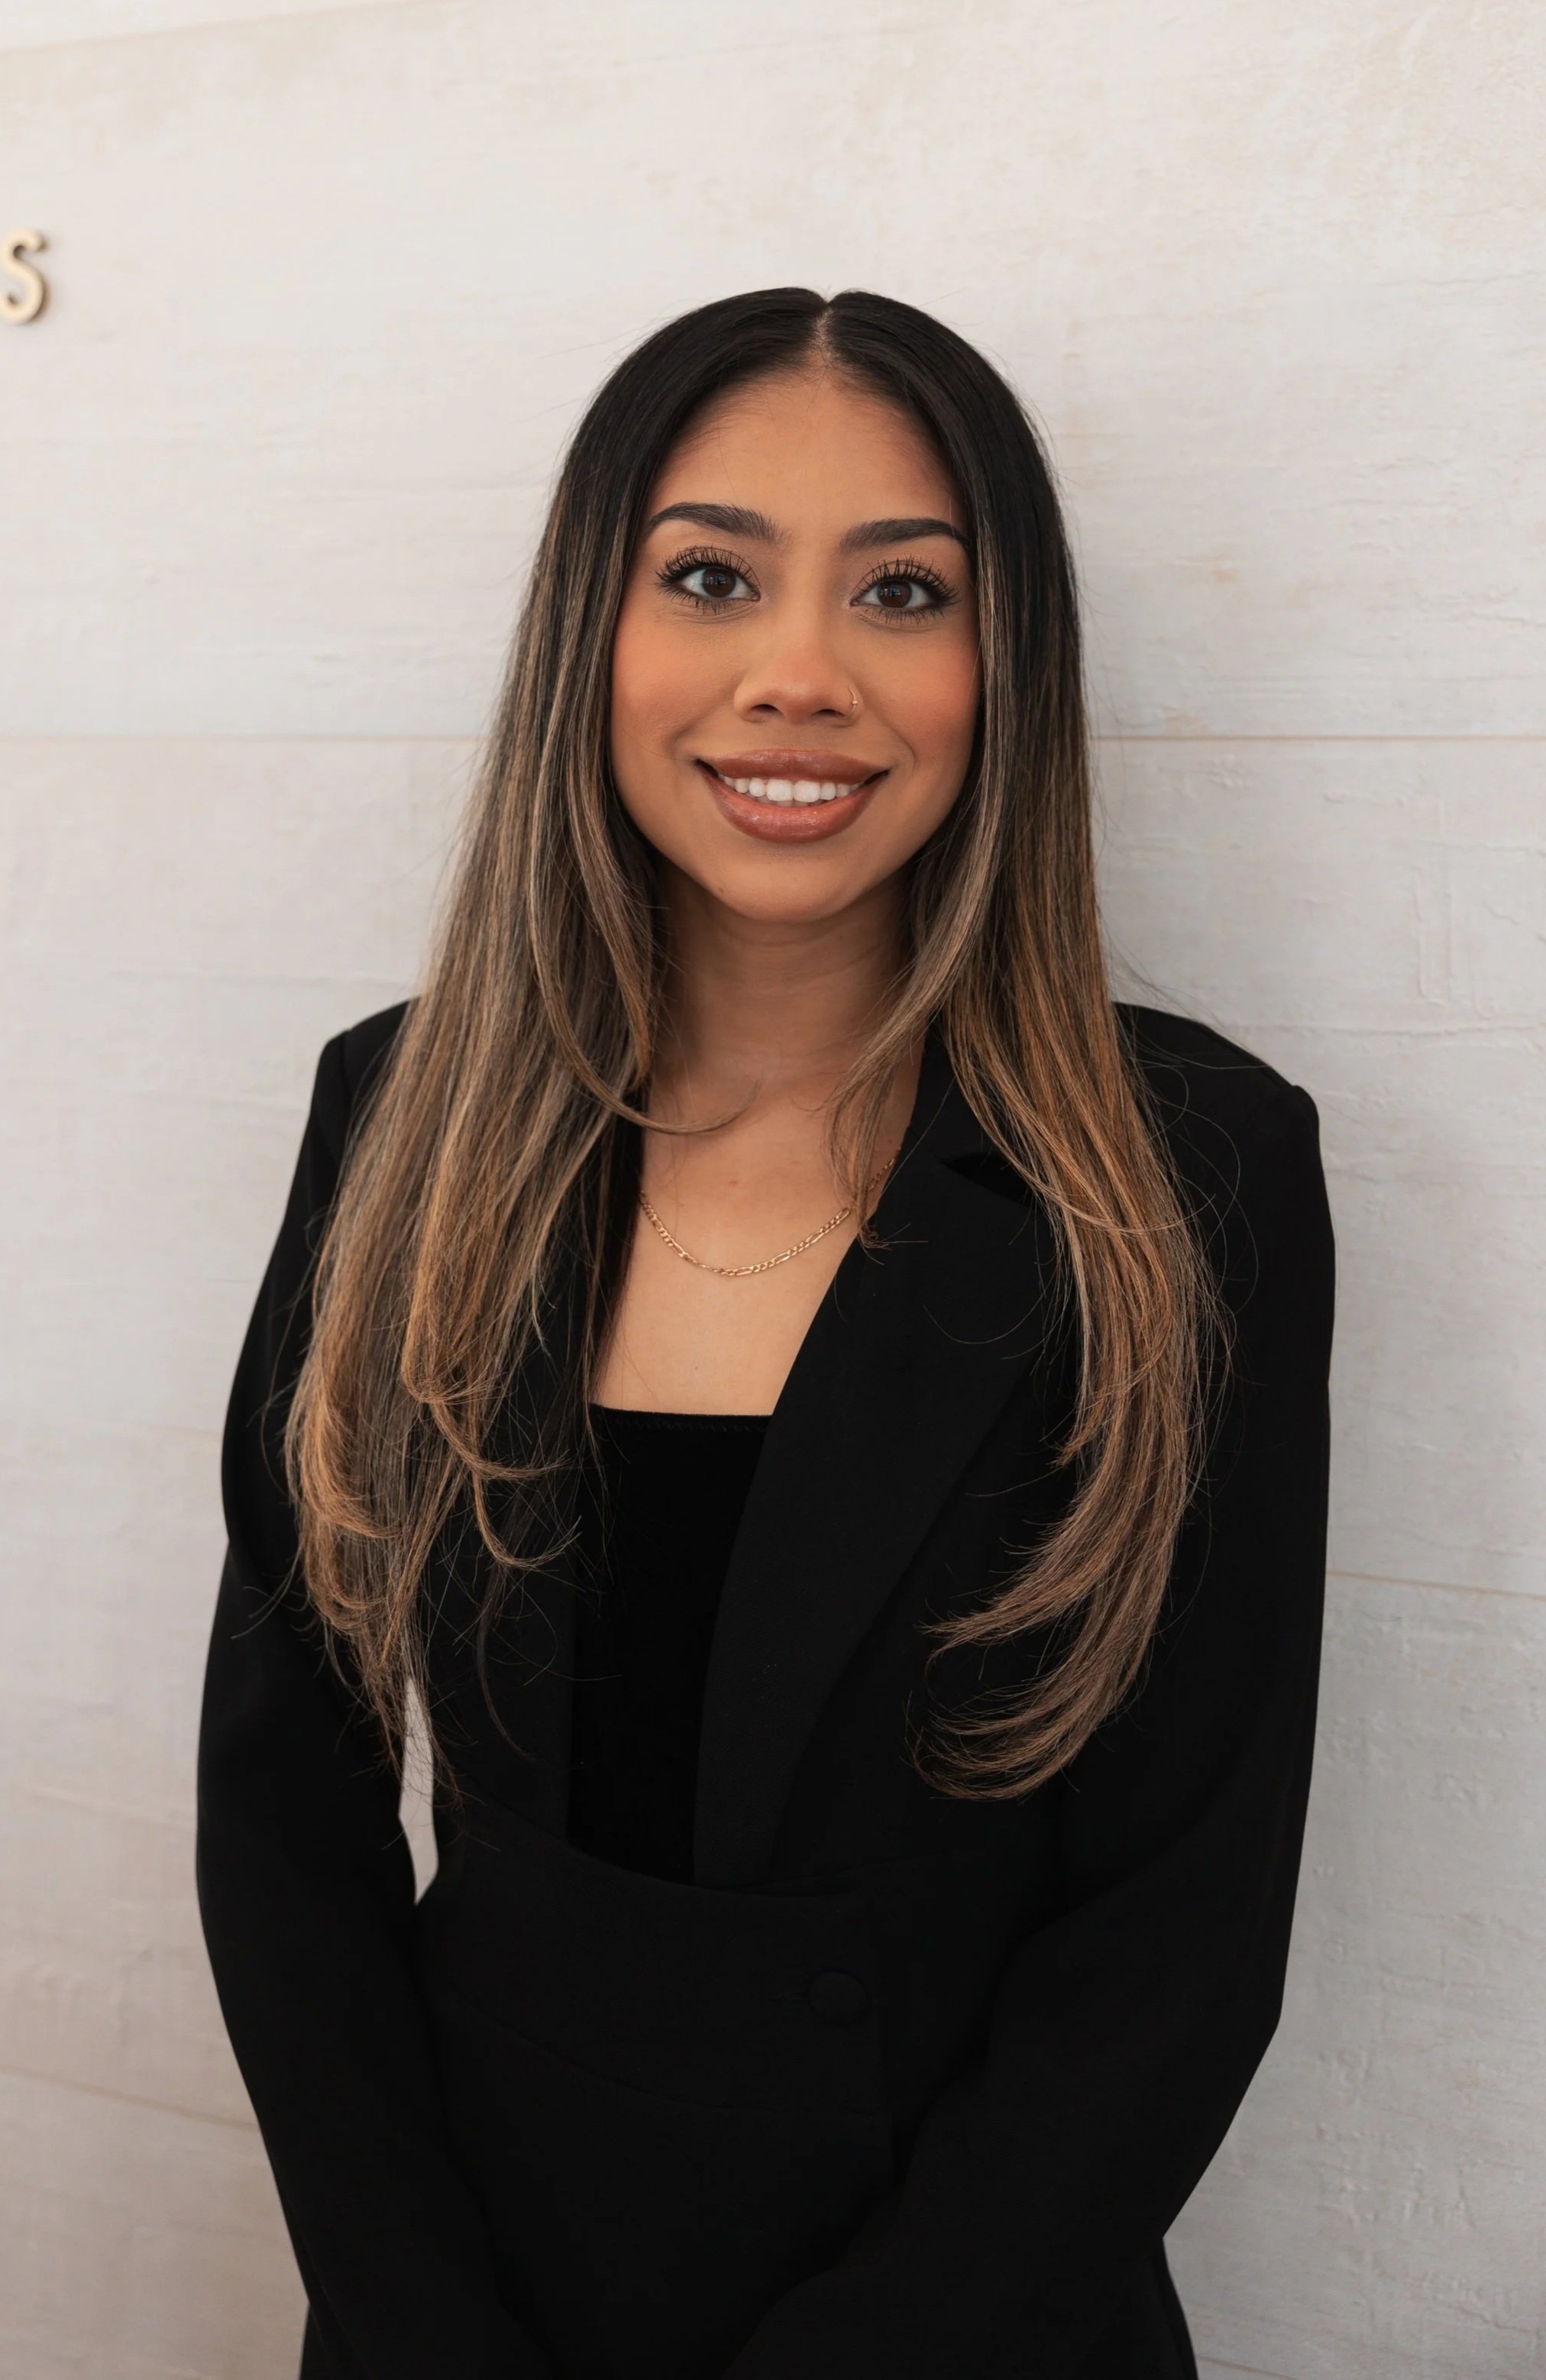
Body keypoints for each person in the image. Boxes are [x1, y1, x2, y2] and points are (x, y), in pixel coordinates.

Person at [196, 287, 1334, 2380]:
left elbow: (1178, 1942)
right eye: (710, 575)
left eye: (904, 590)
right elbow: (287, 1822)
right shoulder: (402, 1116)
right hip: (461, 2307)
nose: (798, 673)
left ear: (1009, 670)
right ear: (589, 639)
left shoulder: (1189, 1172)